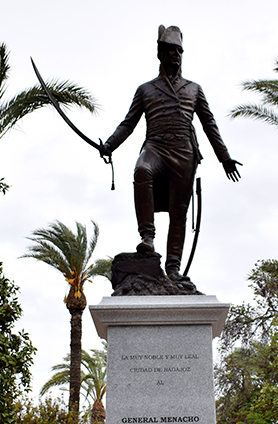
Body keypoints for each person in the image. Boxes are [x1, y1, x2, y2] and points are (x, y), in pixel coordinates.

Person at [101, 25, 241, 284]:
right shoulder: (145, 89)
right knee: (141, 170)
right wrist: (109, 145)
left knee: (179, 212)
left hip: (183, 152)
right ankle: (147, 237)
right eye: (170, 50)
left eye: (179, 51)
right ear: (159, 53)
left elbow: (210, 125)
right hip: (155, 147)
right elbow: (128, 123)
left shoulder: (194, 89)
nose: (176, 55)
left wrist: (225, 158)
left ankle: (173, 267)